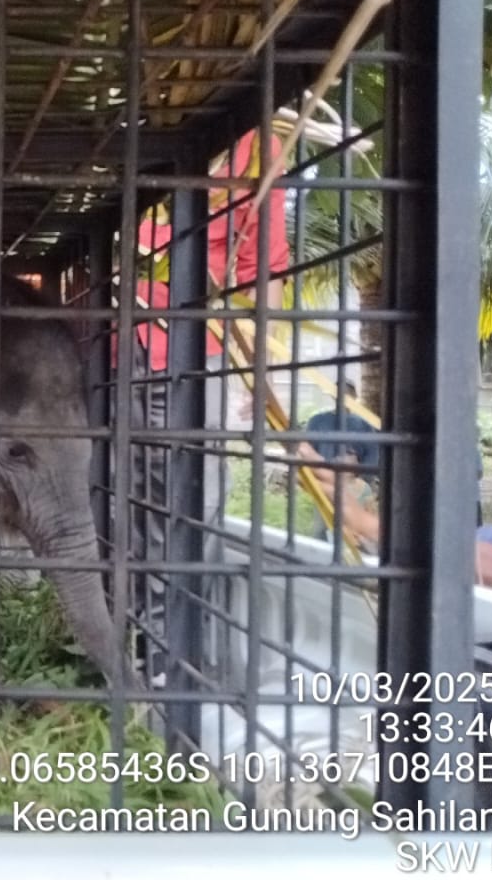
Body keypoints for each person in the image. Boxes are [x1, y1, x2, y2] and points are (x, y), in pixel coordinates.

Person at [123, 128, 290, 686]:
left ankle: (174, 657)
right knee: (123, 497)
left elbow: (263, 272)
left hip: (197, 352)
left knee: (193, 502)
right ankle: (136, 645)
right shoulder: (128, 129)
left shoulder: (255, 150)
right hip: (107, 349)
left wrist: (262, 374)